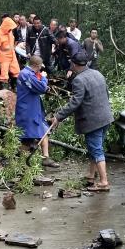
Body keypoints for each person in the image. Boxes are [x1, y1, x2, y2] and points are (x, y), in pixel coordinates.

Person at [52, 51, 114, 191]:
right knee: (95, 148)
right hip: (105, 117)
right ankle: (91, 175)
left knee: (96, 150)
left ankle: (104, 182)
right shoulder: (98, 73)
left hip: (92, 122)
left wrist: (58, 116)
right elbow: (106, 93)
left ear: (74, 64)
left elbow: (75, 103)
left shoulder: (78, 80)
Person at [15, 55, 59, 168]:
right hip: (27, 111)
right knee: (26, 138)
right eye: (40, 67)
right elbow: (41, 88)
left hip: (32, 109)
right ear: (37, 66)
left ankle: (45, 157)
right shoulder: (26, 74)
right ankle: (20, 163)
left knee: (43, 131)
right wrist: (44, 78)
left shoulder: (27, 73)